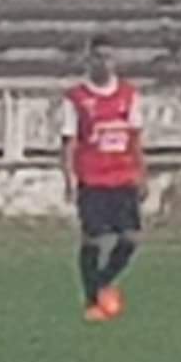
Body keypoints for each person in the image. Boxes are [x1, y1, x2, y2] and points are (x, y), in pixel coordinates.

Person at [64, 37, 146, 320]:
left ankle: (101, 282)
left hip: (123, 176)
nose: (104, 62)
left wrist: (141, 174)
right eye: (98, 57)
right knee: (94, 240)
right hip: (92, 177)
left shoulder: (129, 95)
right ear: (89, 60)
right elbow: (69, 142)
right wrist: (69, 178)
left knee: (131, 239)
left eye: (109, 57)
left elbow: (135, 139)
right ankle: (92, 303)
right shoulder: (76, 98)